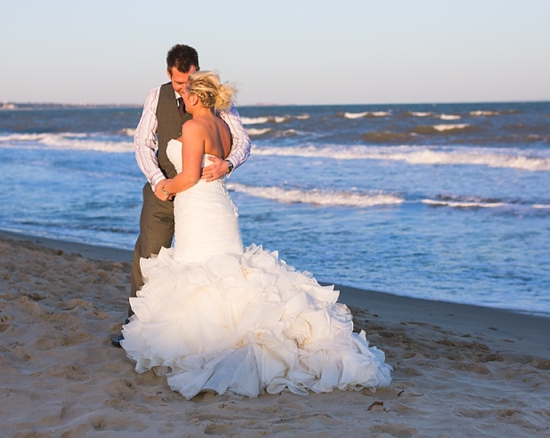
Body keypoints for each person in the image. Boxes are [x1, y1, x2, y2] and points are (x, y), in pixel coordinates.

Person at [120, 72, 391, 399]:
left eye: (185, 96)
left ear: (194, 98)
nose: (181, 101)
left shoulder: (193, 127)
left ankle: (212, 347)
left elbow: (189, 176)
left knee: (202, 275)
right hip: (219, 208)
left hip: (200, 210)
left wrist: (163, 186)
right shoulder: (221, 126)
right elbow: (230, 154)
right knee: (224, 275)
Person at [114, 45, 250, 346]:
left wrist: (227, 164)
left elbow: (242, 141)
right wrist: (158, 181)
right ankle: (136, 327)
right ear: (168, 74)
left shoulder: (214, 99)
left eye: (189, 82)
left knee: (203, 265)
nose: (184, 89)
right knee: (148, 258)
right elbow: (142, 143)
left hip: (200, 200)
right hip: (162, 192)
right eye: (178, 84)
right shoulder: (156, 96)